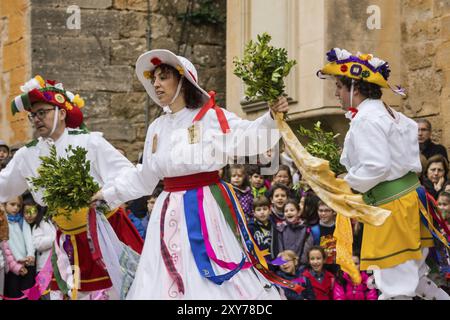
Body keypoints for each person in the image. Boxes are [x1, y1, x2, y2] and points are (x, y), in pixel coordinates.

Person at [92, 49, 299, 299]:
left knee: (209, 274)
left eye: (164, 77)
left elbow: (250, 137)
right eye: (154, 78)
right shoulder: (157, 127)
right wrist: (106, 193)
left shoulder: (211, 117)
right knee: (163, 277)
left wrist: (272, 116)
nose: (156, 83)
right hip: (167, 210)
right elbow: (144, 177)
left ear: (183, 81)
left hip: (205, 207)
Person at [317, 48, 449, 299]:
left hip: (393, 208)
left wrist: (346, 182)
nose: (336, 93)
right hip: (408, 201)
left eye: (338, 87)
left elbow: (376, 166)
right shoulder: (389, 113)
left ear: (354, 87)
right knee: (414, 280)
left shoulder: (367, 119)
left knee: (395, 285)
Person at [0, 75, 143, 299]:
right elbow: (4, 186)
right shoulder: (27, 155)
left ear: (62, 112)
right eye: (32, 115)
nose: (36, 119)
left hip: (106, 233)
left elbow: (129, 174)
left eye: (42, 112)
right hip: (68, 241)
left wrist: (106, 194)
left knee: (121, 292)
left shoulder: (90, 142)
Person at [3, 196, 35, 298]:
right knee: (14, 294)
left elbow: (28, 238)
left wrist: (30, 254)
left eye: (18, 205)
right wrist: (19, 260)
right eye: (12, 204)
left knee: (29, 293)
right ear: (4, 205)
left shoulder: (22, 220)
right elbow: (7, 245)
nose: (16, 208)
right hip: (13, 267)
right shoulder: (3, 223)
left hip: (28, 264)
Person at [276, 200, 313, 266]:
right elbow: (279, 247)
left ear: (298, 212)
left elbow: (307, 247)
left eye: (292, 210)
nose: (289, 213)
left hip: (301, 265)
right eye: (286, 211)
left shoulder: (305, 228)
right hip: (285, 264)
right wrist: (283, 262)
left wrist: (301, 263)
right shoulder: (281, 228)